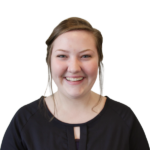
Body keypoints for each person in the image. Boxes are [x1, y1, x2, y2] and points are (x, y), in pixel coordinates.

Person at [1, 16, 149, 150]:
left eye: (85, 56)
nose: (74, 68)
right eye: (62, 55)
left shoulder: (125, 119)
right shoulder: (24, 121)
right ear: (49, 61)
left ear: (99, 61)